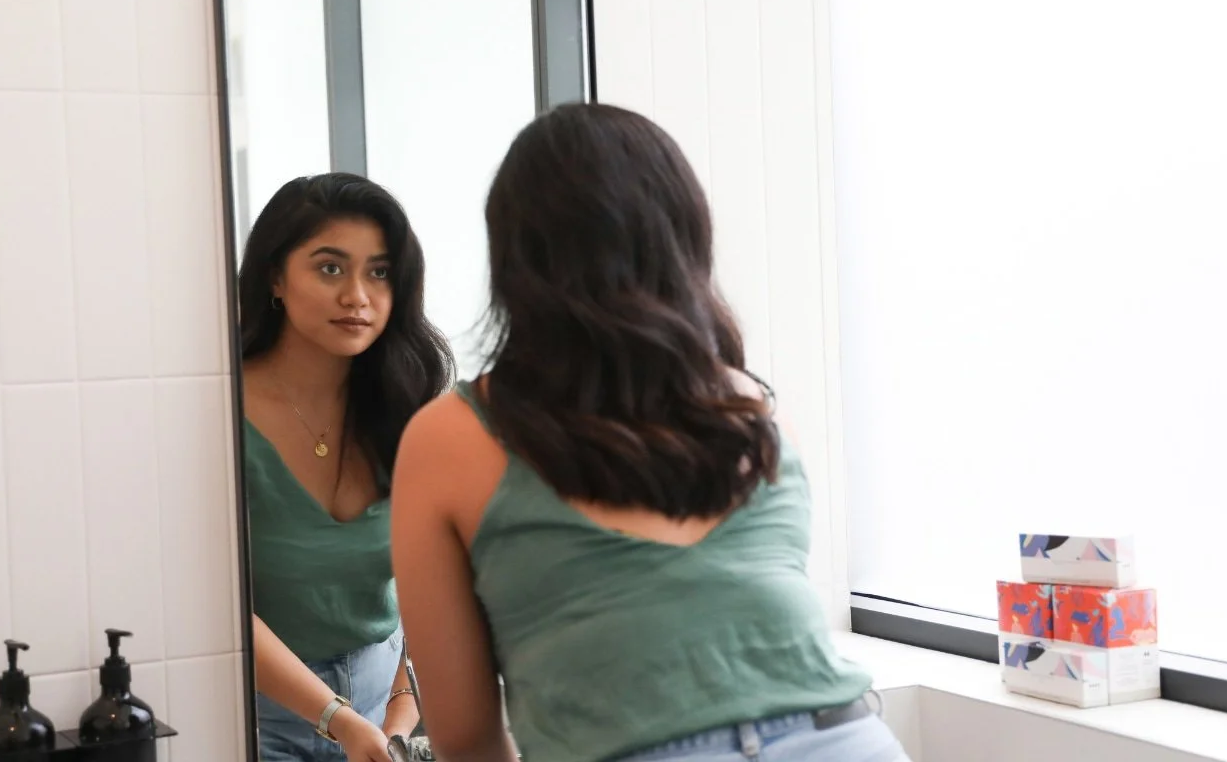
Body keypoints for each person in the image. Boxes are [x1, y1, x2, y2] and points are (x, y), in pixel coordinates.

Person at [388, 105, 911, 761]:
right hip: (844, 739)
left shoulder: (449, 438)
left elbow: (466, 739)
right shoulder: (751, 408)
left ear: (516, 257)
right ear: (683, 239)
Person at [239, 173, 454, 761]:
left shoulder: (409, 405)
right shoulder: (219, 412)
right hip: (257, 712)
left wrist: (397, 718)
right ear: (275, 278)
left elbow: (435, 587)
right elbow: (216, 605)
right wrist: (336, 716)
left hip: (382, 710)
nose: (357, 294)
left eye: (379, 272)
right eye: (330, 268)